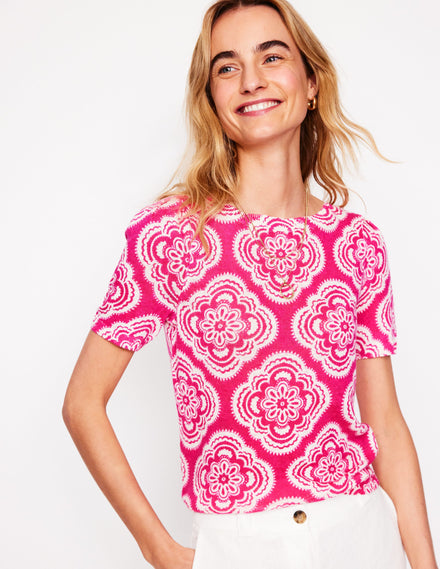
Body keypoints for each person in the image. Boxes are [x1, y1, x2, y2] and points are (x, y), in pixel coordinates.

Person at [62, 1, 438, 568]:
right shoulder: (172, 235)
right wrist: (159, 549)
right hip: (240, 547)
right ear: (212, 99)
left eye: (272, 56)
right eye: (227, 66)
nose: (251, 80)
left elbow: (384, 418)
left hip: (363, 537)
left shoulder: (355, 242)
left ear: (311, 84)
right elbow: (82, 403)